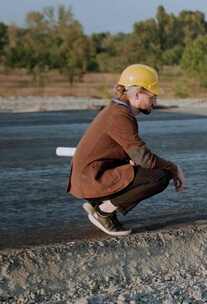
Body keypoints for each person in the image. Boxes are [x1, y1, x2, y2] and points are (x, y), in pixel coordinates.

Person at [67, 64, 186, 236]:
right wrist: (174, 167)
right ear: (138, 94)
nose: (155, 101)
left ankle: (100, 204)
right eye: (152, 96)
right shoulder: (119, 116)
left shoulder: (117, 110)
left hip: (91, 175)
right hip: (91, 179)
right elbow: (145, 160)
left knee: (147, 170)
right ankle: (103, 212)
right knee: (159, 176)